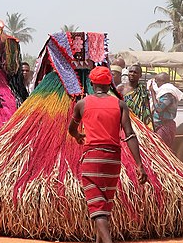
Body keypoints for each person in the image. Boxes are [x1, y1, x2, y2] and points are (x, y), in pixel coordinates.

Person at [68, 66, 147, 243]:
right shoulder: (120, 105)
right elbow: (130, 134)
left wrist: (78, 135)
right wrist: (139, 165)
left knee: (97, 208)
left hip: (92, 159)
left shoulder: (82, 104)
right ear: (109, 84)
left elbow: (71, 129)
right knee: (104, 206)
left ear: (92, 83)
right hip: (112, 160)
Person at [148, 72, 183, 148]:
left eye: (157, 81)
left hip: (164, 126)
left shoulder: (168, 93)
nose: (155, 83)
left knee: (161, 150)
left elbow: (159, 109)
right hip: (159, 125)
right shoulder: (162, 93)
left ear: (162, 82)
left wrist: (153, 93)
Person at [121, 64, 153, 130]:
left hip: (138, 126)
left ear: (140, 75)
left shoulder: (143, 91)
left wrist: (151, 129)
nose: (132, 74)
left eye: (135, 72)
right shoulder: (121, 88)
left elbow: (147, 110)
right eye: (130, 71)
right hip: (123, 124)